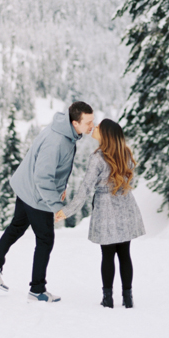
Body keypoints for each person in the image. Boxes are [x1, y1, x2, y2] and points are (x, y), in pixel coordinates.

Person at [0, 101, 95, 303]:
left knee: (16, 227)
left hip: (26, 188)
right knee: (45, 239)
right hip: (36, 195)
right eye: (88, 122)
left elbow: (53, 168)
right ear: (75, 123)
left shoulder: (64, 131)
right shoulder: (57, 141)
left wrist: (62, 187)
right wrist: (57, 208)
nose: (91, 126)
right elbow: (43, 178)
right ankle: (37, 289)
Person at [58, 118, 145, 308]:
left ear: (105, 134)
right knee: (124, 254)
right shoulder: (126, 154)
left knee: (107, 255)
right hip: (126, 206)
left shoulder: (97, 158)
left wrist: (67, 211)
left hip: (106, 209)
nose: (94, 128)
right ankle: (128, 298)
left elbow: (85, 188)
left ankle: (108, 298)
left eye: (98, 127)